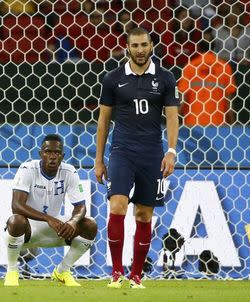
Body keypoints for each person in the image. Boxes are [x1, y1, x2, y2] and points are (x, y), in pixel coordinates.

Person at [94, 27, 179, 289]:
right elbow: (104, 120)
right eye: (135, 46)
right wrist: (99, 159)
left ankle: (137, 276)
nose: (140, 50)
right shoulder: (113, 78)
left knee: (144, 214)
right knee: (117, 206)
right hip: (122, 151)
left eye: (144, 45)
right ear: (127, 47)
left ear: (151, 45)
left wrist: (171, 151)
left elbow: (173, 117)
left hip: (152, 154)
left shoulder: (165, 78)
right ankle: (117, 274)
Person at [3, 134, 97, 287]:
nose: (52, 156)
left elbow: (81, 206)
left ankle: (62, 271)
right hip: (28, 229)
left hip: (55, 229)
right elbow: (16, 205)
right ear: (41, 154)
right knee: (15, 220)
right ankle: (12, 271)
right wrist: (48, 218)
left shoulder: (69, 171)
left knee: (90, 225)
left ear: (62, 156)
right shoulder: (27, 169)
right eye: (48, 152)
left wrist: (72, 222)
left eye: (57, 153)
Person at [178, 34, 237, 126]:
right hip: (218, 124)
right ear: (215, 46)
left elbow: (182, 99)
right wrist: (233, 124)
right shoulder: (224, 66)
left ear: (198, 46)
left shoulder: (190, 66)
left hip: (192, 123)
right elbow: (229, 102)